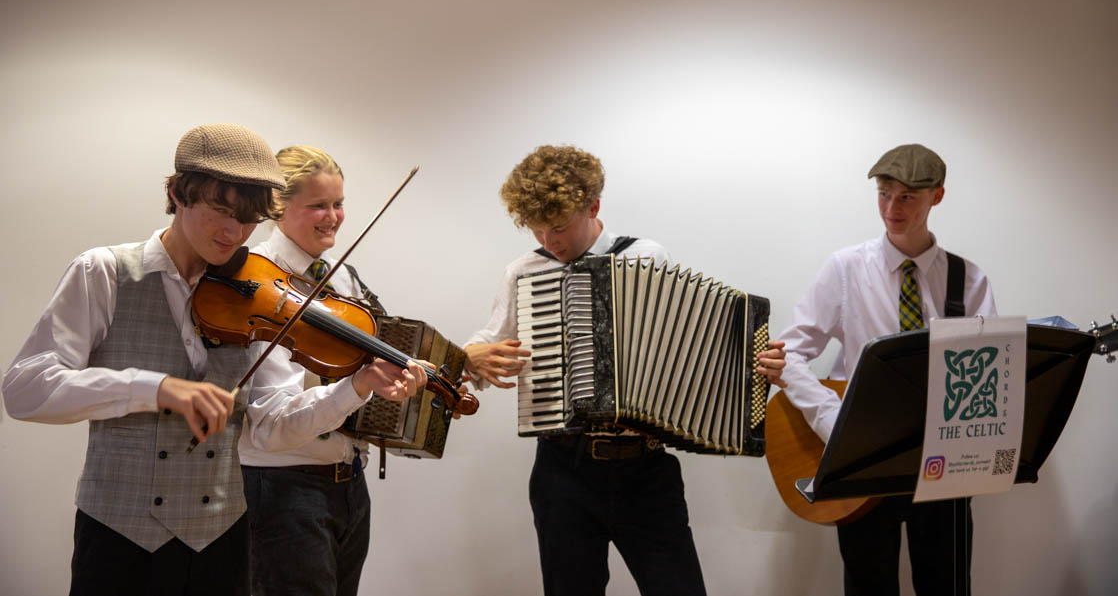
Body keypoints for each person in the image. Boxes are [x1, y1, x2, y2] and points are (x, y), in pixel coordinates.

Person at [2, 124, 425, 596]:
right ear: (176, 194)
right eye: (221, 211)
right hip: (120, 539)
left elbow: (268, 430)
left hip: (224, 542)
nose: (233, 233)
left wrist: (357, 386)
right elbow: (25, 388)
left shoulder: (255, 296)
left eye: (248, 219)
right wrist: (153, 388)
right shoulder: (104, 272)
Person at [463, 144, 787, 596]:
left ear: (593, 207)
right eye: (537, 230)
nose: (548, 242)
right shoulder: (525, 272)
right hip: (563, 470)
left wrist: (752, 364)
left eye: (558, 227)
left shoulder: (646, 256)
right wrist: (467, 358)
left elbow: (688, 348)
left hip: (645, 471)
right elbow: (489, 344)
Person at [773, 143, 997, 596]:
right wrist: (831, 419)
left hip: (943, 465)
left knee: (948, 586)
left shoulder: (969, 280)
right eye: (884, 194)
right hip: (864, 464)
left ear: (937, 196)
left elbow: (985, 380)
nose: (892, 208)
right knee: (868, 587)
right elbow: (788, 353)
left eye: (907, 197)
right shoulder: (846, 268)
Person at [239, 144, 393, 596]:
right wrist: (357, 386)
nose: (333, 217)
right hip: (284, 489)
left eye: (338, 203)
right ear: (278, 206)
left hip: (349, 483)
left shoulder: (343, 277)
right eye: (318, 206)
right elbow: (270, 425)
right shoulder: (258, 282)